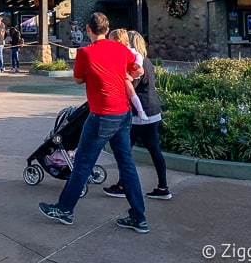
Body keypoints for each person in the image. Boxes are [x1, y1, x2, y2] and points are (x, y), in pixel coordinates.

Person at [38, 12, 149, 233]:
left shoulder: (85, 53)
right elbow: (137, 69)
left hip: (101, 115)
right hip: (123, 113)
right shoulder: (120, 48)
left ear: (88, 30)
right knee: (126, 165)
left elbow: (79, 79)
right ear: (107, 30)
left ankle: (65, 209)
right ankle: (139, 217)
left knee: (82, 164)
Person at [103, 30, 171, 200]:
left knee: (125, 149)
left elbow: (128, 85)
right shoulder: (146, 62)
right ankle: (163, 186)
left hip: (138, 114)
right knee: (154, 149)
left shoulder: (135, 65)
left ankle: (123, 185)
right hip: (153, 110)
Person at [107, 29, 148, 121]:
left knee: (131, 92)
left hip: (124, 75)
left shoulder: (127, 50)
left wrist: (137, 63)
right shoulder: (114, 50)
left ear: (118, 41)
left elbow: (138, 57)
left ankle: (140, 111)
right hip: (120, 75)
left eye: (110, 41)